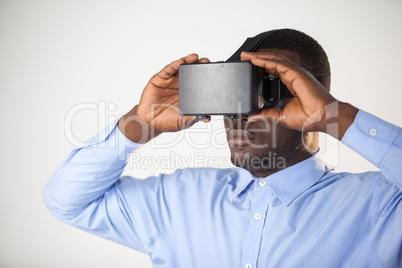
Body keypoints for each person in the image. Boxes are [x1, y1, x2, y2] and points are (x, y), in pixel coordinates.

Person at [43, 29, 402, 267]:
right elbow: (66, 200)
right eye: (233, 93)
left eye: (263, 94)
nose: (239, 115)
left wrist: (336, 116)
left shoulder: (378, 206)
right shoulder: (179, 199)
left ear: (312, 95)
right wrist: (141, 124)